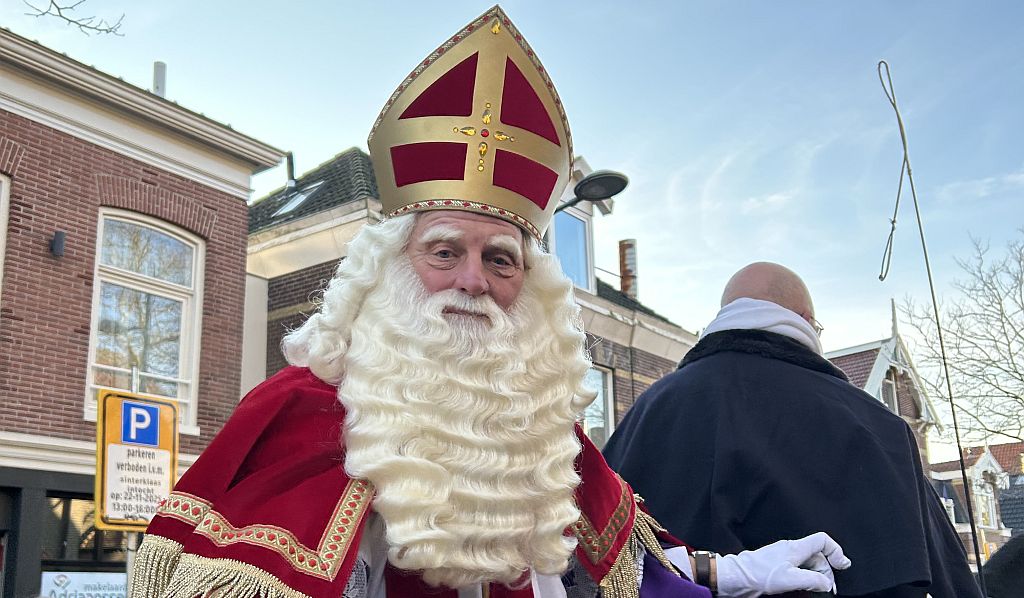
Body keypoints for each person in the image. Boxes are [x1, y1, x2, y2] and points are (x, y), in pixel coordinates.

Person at [129, 10, 851, 598]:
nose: (472, 280)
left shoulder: (542, 432)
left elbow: (624, 571)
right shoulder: (303, 406)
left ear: (527, 286)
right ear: (390, 270)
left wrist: (735, 574)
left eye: (499, 259)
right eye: (445, 252)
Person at [603, 262, 983, 598]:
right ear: (805, 320)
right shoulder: (880, 428)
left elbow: (589, 561)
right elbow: (949, 578)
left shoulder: (644, 417)